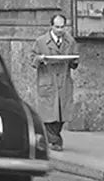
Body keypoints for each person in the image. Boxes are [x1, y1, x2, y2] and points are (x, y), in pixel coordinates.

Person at [33, 12, 79, 150]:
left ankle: (50, 139)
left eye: (62, 27)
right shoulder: (41, 41)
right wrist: (39, 59)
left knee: (61, 115)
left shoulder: (70, 41)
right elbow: (32, 58)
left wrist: (74, 61)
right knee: (49, 114)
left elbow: (74, 62)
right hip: (48, 81)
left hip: (63, 82)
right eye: (57, 27)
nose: (60, 30)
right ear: (51, 26)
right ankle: (55, 141)